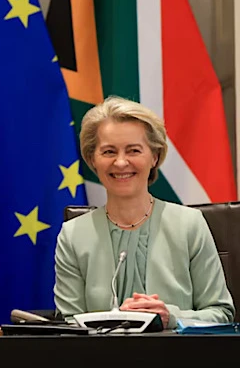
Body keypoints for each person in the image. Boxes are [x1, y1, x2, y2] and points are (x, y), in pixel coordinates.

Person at [54, 96, 234, 328]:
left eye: (133, 150)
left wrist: (171, 317)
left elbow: (221, 313)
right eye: (108, 152)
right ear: (92, 160)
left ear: (154, 157)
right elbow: (68, 323)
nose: (120, 163)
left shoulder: (190, 224)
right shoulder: (73, 234)